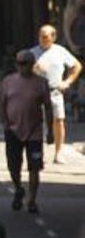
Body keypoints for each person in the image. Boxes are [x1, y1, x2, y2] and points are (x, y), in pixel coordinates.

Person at [0, 50, 54, 214]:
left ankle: (31, 199)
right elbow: (2, 103)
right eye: (19, 63)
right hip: (13, 130)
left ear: (32, 64)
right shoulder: (8, 81)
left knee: (34, 167)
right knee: (13, 165)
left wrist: (50, 131)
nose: (22, 66)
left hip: (34, 132)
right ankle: (18, 188)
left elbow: (48, 107)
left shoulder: (41, 83)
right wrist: (5, 124)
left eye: (25, 63)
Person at [31, 24, 81, 164]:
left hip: (55, 90)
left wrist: (68, 81)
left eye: (46, 36)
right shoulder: (32, 53)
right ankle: (38, 152)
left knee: (58, 121)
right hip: (36, 92)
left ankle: (58, 153)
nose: (43, 39)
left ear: (53, 37)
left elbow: (76, 66)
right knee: (36, 123)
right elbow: (21, 68)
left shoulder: (60, 51)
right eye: (41, 36)